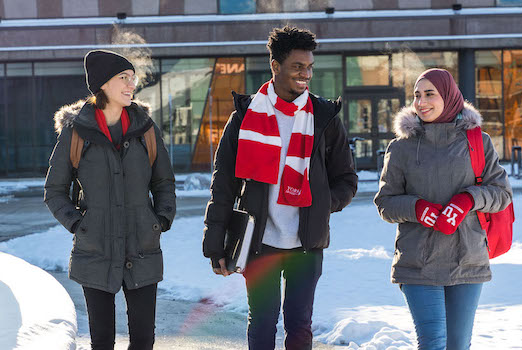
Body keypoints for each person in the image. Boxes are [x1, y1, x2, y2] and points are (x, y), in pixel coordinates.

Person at [202, 26, 357, 350]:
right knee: (261, 322)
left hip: (306, 243)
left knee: (299, 326)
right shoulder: (246, 116)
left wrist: (323, 202)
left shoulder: (324, 117)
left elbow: (346, 178)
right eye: (297, 67)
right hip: (259, 241)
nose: (306, 74)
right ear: (276, 66)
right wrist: (215, 241)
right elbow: (224, 182)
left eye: (310, 67)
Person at [44, 50, 176, 350]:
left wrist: (161, 219)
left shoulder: (146, 129)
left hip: (142, 248)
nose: (132, 84)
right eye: (124, 78)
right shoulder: (76, 132)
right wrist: (79, 224)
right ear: (103, 84)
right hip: (95, 250)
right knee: (102, 342)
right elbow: (54, 190)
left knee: (143, 341)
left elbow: (164, 182)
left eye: (133, 78)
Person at [374, 68, 512, 350]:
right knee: (433, 343)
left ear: (448, 96)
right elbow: (385, 202)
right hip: (418, 262)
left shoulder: (477, 141)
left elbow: (501, 194)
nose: (421, 102)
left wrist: (468, 200)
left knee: (458, 345)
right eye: (416, 95)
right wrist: (418, 208)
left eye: (429, 94)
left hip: (467, 259)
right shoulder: (401, 147)